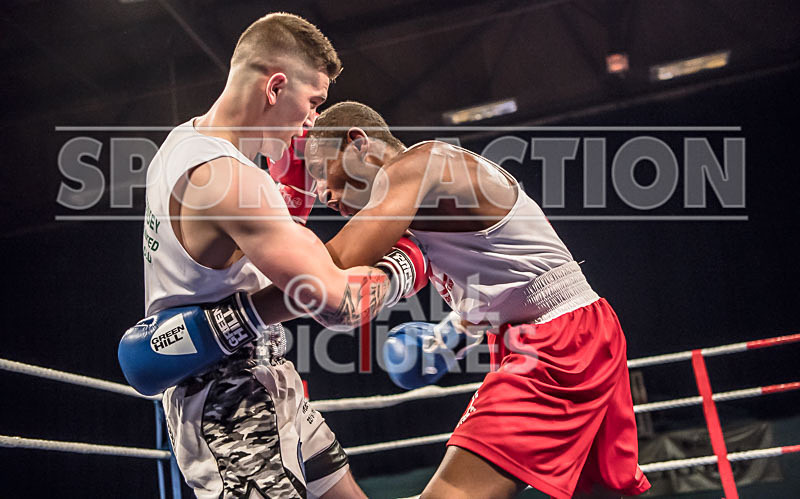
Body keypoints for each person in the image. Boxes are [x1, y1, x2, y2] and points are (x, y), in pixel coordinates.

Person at [298, 101, 651, 499]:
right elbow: (513, 274)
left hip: (558, 341)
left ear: (358, 143)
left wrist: (252, 251)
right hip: (565, 333)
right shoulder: (420, 207)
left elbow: (336, 263)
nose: (321, 193)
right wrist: (452, 335)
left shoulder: (421, 166)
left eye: (319, 171)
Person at [138, 14, 425, 499]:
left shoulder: (180, 144)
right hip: (229, 406)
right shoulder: (228, 180)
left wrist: (289, 197)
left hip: (265, 376)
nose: (313, 122)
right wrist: (408, 263)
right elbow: (335, 303)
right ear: (275, 87)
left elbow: (252, 267)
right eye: (313, 103)